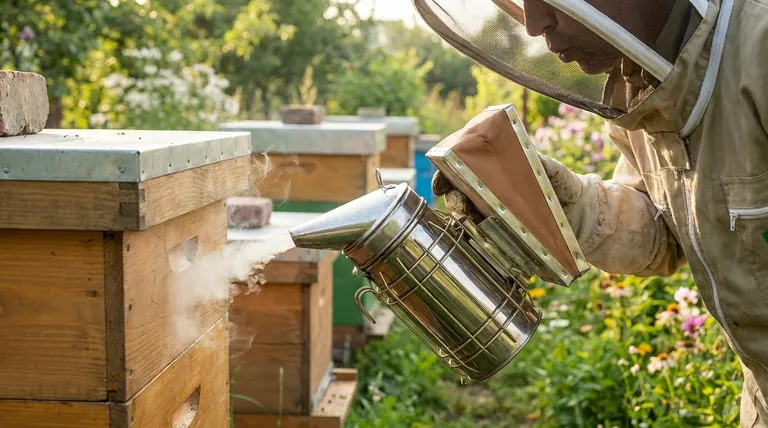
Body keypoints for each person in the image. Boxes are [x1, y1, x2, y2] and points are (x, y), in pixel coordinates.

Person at [414, 0, 768, 425]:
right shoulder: (638, 87)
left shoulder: (758, 53)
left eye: (546, 0)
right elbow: (666, 232)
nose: (533, 24)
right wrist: (565, 203)